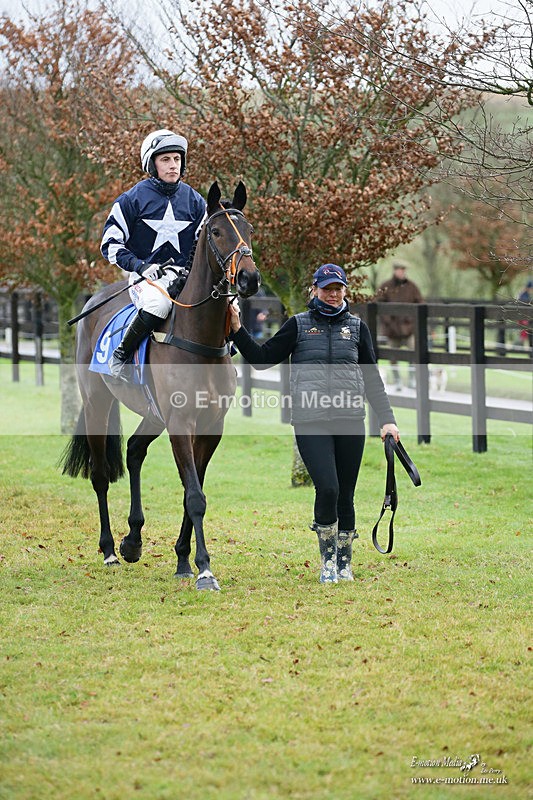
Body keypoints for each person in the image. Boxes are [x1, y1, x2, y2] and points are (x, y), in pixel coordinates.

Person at [229, 263, 400, 584]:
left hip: (351, 420)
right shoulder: (299, 325)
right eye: (327, 289)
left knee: (346, 494)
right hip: (311, 421)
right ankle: (328, 562)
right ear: (315, 290)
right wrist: (237, 328)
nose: (333, 295)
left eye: (338, 289)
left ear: (345, 291)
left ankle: (345, 562)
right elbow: (262, 359)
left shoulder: (357, 328)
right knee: (328, 487)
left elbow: (372, 379)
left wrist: (387, 420)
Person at [100, 129, 207, 380]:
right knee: (158, 305)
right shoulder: (131, 200)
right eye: (166, 159)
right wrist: (140, 266)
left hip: (184, 276)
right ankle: (121, 357)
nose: (173, 165)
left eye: (177, 159)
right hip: (146, 278)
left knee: (225, 302)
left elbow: (202, 246)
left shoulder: (196, 201)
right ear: (152, 163)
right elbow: (109, 244)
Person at [376, 261, 423, 390]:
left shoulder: (412, 287)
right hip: (392, 329)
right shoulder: (386, 286)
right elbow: (379, 305)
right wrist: (388, 322)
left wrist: (412, 322)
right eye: (400, 269)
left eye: (404, 270)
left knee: (414, 352)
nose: (402, 272)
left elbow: (420, 304)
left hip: (409, 328)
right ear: (395, 270)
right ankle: (397, 380)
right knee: (393, 356)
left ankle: (412, 379)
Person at [517, 280, 533, 348]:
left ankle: (523, 345)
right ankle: (521, 345)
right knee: (525, 331)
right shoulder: (524, 295)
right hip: (524, 316)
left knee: (525, 331)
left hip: (525, 315)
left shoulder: (525, 294)